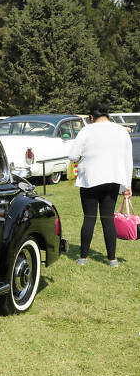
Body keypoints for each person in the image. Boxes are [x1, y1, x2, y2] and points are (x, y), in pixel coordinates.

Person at [69, 103, 133, 267]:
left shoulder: (86, 131)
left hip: (90, 179)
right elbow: (128, 160)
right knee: (108, 219)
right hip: (112, 179)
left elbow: (73, 155)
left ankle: (83, 257)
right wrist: (128, 184)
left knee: (89, 218)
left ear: (91, 117)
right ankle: (112, 259)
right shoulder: (121, 131)